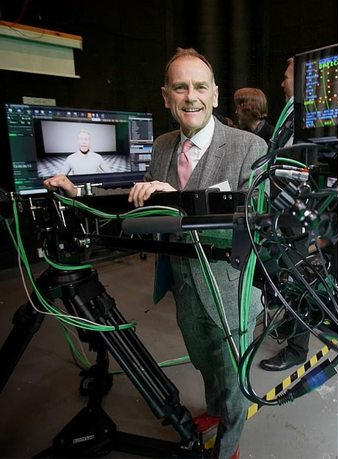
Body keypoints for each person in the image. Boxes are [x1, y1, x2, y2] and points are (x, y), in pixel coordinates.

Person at [45, 47, 266, 459]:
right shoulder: (164, 146)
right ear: (166, 96)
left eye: (200, 87)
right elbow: (138, 199)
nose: (191, 96)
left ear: (216, 95)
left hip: (230, 288)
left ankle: (229, 446)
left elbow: (250, 225)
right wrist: (80, 195)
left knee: (233, 374)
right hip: (185, 284)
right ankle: (215, 412)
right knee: (203, 358)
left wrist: (180, 200)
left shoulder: (248, 147)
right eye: (180, 87)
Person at [259, 57, 310, 372]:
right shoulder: (292, 111)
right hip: (281, 209)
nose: (281, 81)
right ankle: (292, 325)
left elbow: (302, 164)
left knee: (299, 276)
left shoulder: (309, 113)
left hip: (296, 210)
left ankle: (297, 349)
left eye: (287, 74)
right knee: (281, 270)